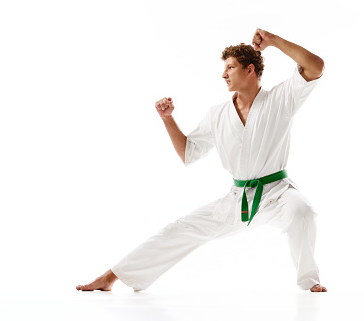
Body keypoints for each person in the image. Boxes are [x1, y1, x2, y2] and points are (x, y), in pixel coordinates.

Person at [76, 28, 327, 293]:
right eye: (224, 68)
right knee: (179, 229)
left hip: (277, 192)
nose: (224, 74)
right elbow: (188, 153)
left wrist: (274, 41)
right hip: (238, 198)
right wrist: (168, 119)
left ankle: (309, 281)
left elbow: (316, 66)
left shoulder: (280, 100)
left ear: (250, 69)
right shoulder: (218, 115)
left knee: (303, 212)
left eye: (230, 67)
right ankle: (110, 277)